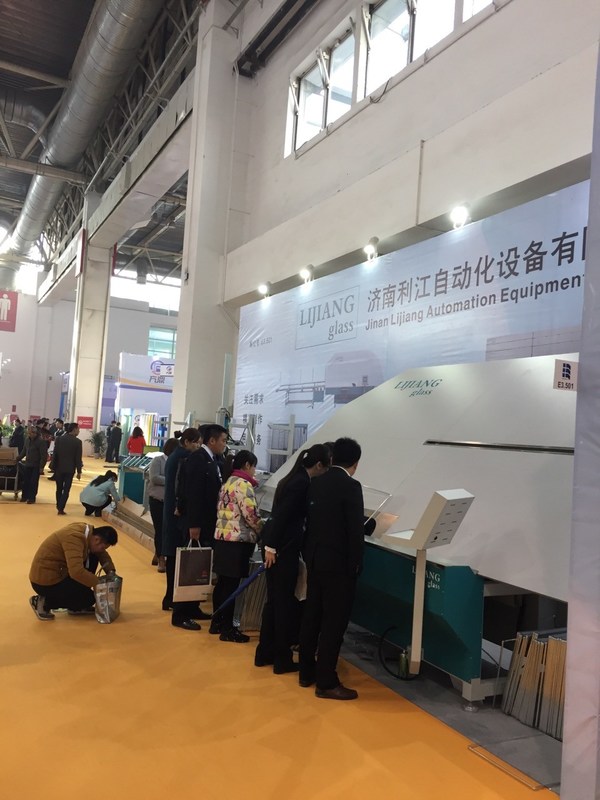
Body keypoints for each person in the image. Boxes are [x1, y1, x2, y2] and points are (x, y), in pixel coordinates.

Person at [299, 437, 365, 701]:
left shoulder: (317, 481)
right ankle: (326, 681)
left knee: (312, 616)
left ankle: (306, 672)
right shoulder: (351, 486)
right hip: (339, 565)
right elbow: (355, 530)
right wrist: (356, 565)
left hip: (316, 560)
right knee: (333, 623)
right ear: (355, 463)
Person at [255, 443, 330, 672]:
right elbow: (282, 515)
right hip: (282, 550)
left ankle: (264, 652)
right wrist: (272, 546)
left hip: (276, 547)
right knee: (283, 605)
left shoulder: (293, 478)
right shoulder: (301, 483)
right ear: (319, 465)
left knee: (274, 603)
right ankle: (282, 658)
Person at [211, 450, 263, 643]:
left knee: (222, 584)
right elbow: (250, 515)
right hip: (237, 541)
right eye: (254, 466)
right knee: (231, 587)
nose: (254, 470)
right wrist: (262, 530)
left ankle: (216, 622)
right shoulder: (243, 485)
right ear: (247, 465)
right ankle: (227, 629)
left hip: (222, 538)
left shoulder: (228, 482)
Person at [29, 522, 118, 620]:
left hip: (60, 572)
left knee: (94, 555)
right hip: (46, 581)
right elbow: (76, 572)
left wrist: (111, 571)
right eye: (103, 547)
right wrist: (100, 584)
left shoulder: (88, 533)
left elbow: (101, 553)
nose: (102, 550)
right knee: (88, 599)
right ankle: (44, 602)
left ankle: (76, 605)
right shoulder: (74, 538)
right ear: (97, 539)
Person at [160, 427, 202, 629]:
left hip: (172, 514)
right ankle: (175, 602)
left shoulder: (175, 456)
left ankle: (170, 598)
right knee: (178, 561)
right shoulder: (183, 458)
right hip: (177, 516)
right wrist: (181, 508)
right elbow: (181, 488)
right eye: (196, 443)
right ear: (187, 442)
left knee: (173, 559)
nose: (198, 446)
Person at [148, 438, 178, 572]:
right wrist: (171, 480)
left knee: (167, 530)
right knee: (160, 529)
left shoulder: (177, 462)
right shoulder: (158, 461)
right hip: (157, 500)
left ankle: (158, 553)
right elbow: (154, 477)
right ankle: (161, 557)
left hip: (170, 502)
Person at [51, 422, 83, 515]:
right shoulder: (78, 442)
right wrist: (79, 471)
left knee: (59, 488)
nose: (79, 431)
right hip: (70, 469)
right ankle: (61, 507)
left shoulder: (59, 439)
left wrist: (53, 466)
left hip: (59, 468)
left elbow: (55, 454)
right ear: (74, 429)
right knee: (66, 489)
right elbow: (78, 458)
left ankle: (58, 505)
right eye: (78, 429)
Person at [17, 426, 46, 503]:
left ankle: (31, 498)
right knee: (26, 481)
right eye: (28, 433)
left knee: (33, 482)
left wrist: (41, 467)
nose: (29, 435)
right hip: (28, 464)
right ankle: (24, 496)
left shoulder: (41, 441)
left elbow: (44, 456)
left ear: (35, 433)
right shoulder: (27, 440)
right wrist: (17, 458)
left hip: (36, 465)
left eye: (30, 433)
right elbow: (24, 451)